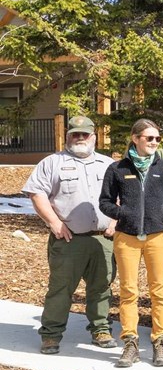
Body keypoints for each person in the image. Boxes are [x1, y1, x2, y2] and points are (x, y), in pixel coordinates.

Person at [24, 115, 118, 355]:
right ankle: (51, 335)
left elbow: (123, 195)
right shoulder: (51, 163)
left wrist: (116, 221)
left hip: (103, 238)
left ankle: (100, 329)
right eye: (74, 134)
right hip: (68, 239)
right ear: (67, 136)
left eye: (84, 134)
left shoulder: (108, 164)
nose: (79, 138)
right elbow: (37, 193)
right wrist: (54, 222)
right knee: (61, 288)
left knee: (101, 287)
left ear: (93, 137)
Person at [99, 119, 163, 367]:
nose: (154, 142)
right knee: (128, 290)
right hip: (127, 236)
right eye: (149, 138)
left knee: (159, 290)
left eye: (157, 139)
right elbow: (105, 202)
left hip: (158, 236)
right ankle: (130, 342)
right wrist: (124, 214)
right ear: (135, 139)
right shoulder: (117, 169)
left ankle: (159, 341)